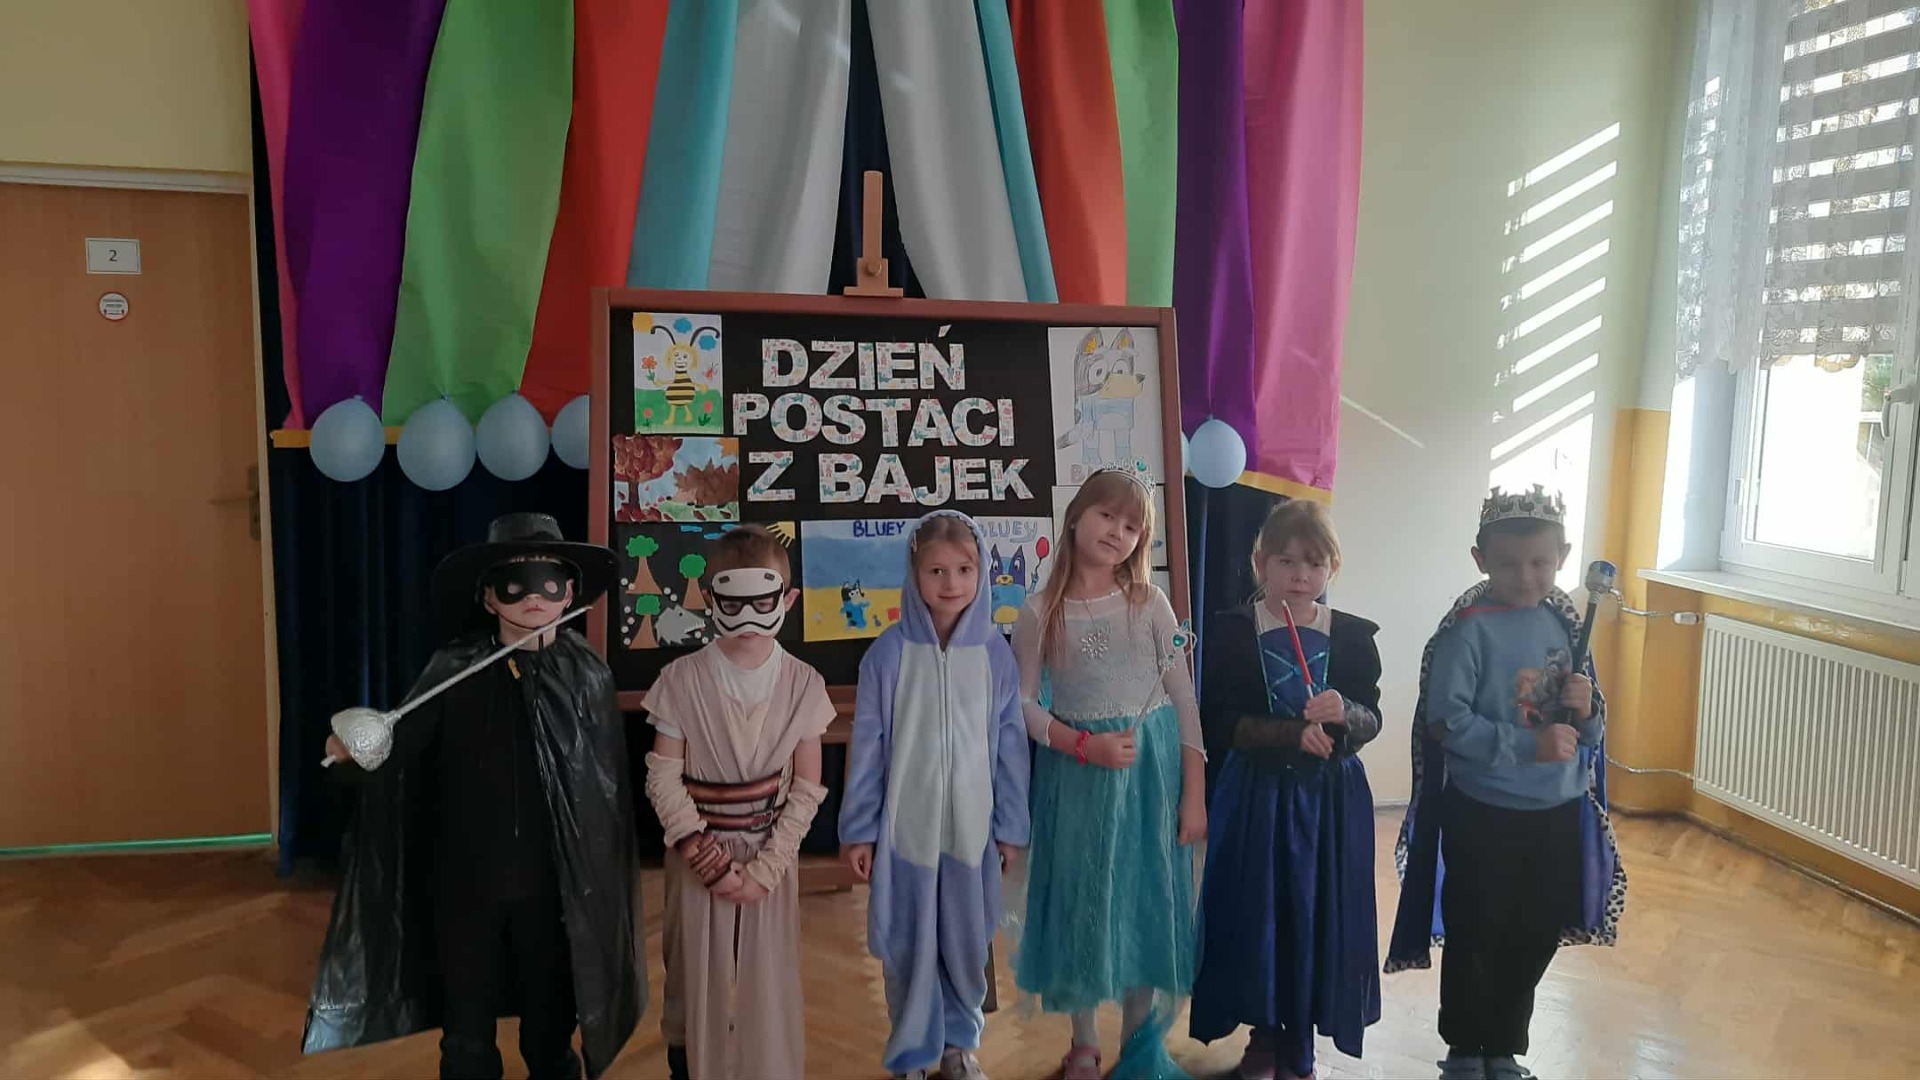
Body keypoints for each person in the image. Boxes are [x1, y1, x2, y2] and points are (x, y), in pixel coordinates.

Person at [305, 512, 644, 1080]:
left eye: (548, 581)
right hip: (466, 883)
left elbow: (603, 791)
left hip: (553, 888)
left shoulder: (586, 676)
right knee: (466, 1031)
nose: (533, 595)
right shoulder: (453, 670)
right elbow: (400, 754)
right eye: (515, 581)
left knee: (550, 1025)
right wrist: (355, 756)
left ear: (569, 593)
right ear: (489, 597)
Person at [1385, 486, 1628, 1080]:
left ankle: (1503, 1045)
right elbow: (1446, 722)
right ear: (1480, 560)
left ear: (1562, 557)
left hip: (1556, 810)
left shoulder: (1565, 624)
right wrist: (1527, 746)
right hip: (1485, 811)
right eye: (1509, 563)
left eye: (1540, 562)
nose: (1526, 576)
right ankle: (1466, 1048)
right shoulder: (1468, 631)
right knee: (1477, 928)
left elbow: (1587, 733)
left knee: (1535, 929)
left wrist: (1588, 709)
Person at [1011, 466, 1207, 1080]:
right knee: (1083, 900)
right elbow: (1022, 704)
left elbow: (1184, 699)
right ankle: (1084, 1042)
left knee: (1141, 902)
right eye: (1106, 515)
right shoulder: (1039, 611)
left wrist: (1195, 795)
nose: (1117, 532)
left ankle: (1141, 1045)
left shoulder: (1149, 604)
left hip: (1151, 780)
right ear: (1076, 516)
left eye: (1132, 527)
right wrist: (1081, 744)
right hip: (1077, 778)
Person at [1189, 500, 1384, 1080]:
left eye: (1315, 563)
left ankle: (1300, 1040)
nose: (1301, 575)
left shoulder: (1352, 636)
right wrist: (1290, 734)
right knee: (1260, 914)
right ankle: (1265, 1032)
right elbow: (1220, 721)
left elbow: (1372, 717)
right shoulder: (1232, 631)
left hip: (1328, 803)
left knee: (1315, 914)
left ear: (1332, 568)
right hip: (1258, 796)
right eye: (1286, 561)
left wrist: (1345, 713)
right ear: (1260, 563)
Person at [840, 511, 1031, 1080]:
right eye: (937, 571)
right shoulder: (887, 656)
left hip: (973, 836)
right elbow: (867, 749)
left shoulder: (995, 655)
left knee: (967, 946)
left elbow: (1010, 748)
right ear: (914, 574)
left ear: (982, 574)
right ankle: (912, 1053)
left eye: (965, 570)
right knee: (909, 946)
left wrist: (1010, 827)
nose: (951, 583)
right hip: (907, 837)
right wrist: (859, 829)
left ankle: (958, 1046)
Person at [641, 525, 836, 1080]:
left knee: (766, 982)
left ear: (787, 601)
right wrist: (708, 861)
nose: (748, 616)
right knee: (692, 980)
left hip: (769, 857)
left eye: (762, 602)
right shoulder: (680, 680)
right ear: (709, 598)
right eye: (733, 603)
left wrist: (766, 870)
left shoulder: (804, 684)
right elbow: (663, 778)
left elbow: (806, 789)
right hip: (695, 856)